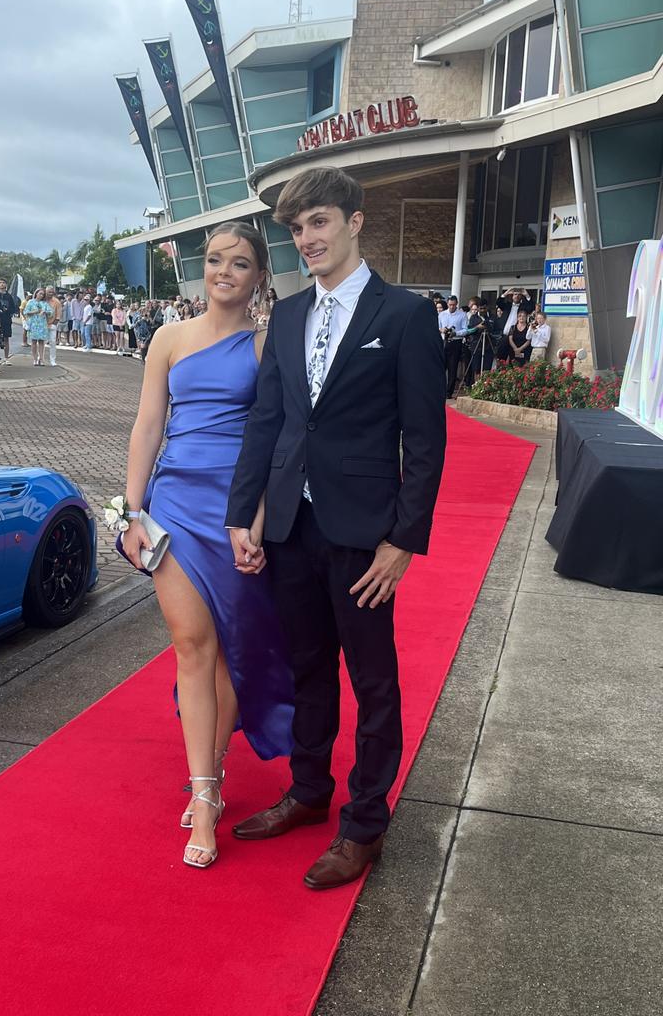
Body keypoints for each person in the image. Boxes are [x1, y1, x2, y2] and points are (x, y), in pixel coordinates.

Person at [226, 166, 446, 891]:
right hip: (291, 524)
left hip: (362, 535)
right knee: (308, 669)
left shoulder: (405, 315)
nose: (306, 239)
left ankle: (365, 824)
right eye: (295, 229)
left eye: (317, 221)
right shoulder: (286, 316)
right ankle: (310, 790)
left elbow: (426, 436)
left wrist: (404, 540)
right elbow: (269, 423)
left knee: (374, 682)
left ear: (354, 221)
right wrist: (242, 515)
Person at [120, 221, 294, 870]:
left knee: (233, 657)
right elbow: (146, 426)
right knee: (193, 648)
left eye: (240, 263)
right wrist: (131, 510)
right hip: (172, 508)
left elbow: (274, 445)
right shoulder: (167, 338)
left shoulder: (263, 347)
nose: (223, 271)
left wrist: (256, 519)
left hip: (234, 513)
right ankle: (207, 793)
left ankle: (211, 771)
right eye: (216, 259)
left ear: (259, 276)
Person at [438, 295, 466, 398]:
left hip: (455, 342)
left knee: (452, 368)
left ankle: (448, 392)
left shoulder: (462, 315)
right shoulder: (442, 314)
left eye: (453, 305)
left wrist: (455, 333)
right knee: (441, 367)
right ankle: (439, 389)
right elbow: (437, 327)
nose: (451, 307)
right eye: (450, 305)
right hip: (444, 341)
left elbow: (465, 330)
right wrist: (442, 330)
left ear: (457, 304)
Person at [24, 288, 52, 365]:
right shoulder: (30, 302)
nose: (41, 295)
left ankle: (41, 358)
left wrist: (45, 312)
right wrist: (34, 312)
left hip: (42, 324)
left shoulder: (44, 303)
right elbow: (25, 312)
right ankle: (35, 358)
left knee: (41, 342)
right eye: (40, 293)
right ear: (36, 293)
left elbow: (51, 312)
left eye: (43, 294)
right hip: (33, 324)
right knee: (33, 342)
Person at [45, 286, 61, 366]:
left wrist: (53, 325)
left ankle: (52, 360)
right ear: (46, 292)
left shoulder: (56, 302)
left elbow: (58, 315)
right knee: (41, 342)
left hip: (52, 325)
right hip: (42, 325)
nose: (50, 294)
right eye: (49, 292)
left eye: (52, 292)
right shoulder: (42, 300)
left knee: (53, 342)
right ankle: (40, 358)